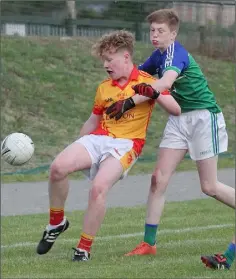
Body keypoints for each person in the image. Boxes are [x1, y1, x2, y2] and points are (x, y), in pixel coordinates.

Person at [105, 9, 235, 270]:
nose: (154, 35)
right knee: (157, 179)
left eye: (160, 30)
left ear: (173, 33)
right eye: (152, 30)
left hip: (202, 118)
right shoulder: (157, 55)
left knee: (209, 187)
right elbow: (138, 79)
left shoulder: (177, 53)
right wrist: (118, 77)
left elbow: (164, 83)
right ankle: (148, 244)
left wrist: (137, 96)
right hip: (180, 120)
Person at [36, 30, 181, 262]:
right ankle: (56, 223)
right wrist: (75, 146)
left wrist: (154, 93)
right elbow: (93, 121)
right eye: (103, 59)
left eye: (109, 59)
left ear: (126, 57)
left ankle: (83, 249)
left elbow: (176, 109)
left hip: (127, 144)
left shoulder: (147, 80)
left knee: (98, 188)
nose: (105, 64)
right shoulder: (104, 87)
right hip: (99, 137)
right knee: (58, 167)